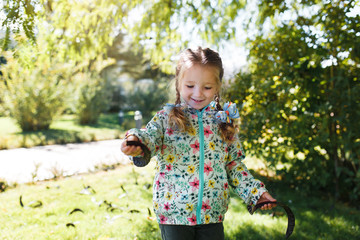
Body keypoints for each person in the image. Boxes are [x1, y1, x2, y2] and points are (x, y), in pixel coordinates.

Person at [121, 47, 276, 240]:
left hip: (212, 214)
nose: (198, 93)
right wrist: (136, 142)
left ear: (217, 87)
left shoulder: (223, 123)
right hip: (174, 215)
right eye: (190, 86)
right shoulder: (166, 119)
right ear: (178, 84)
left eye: (207, 87)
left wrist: (256, 194)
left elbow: (234, 166)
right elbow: (148, 137)